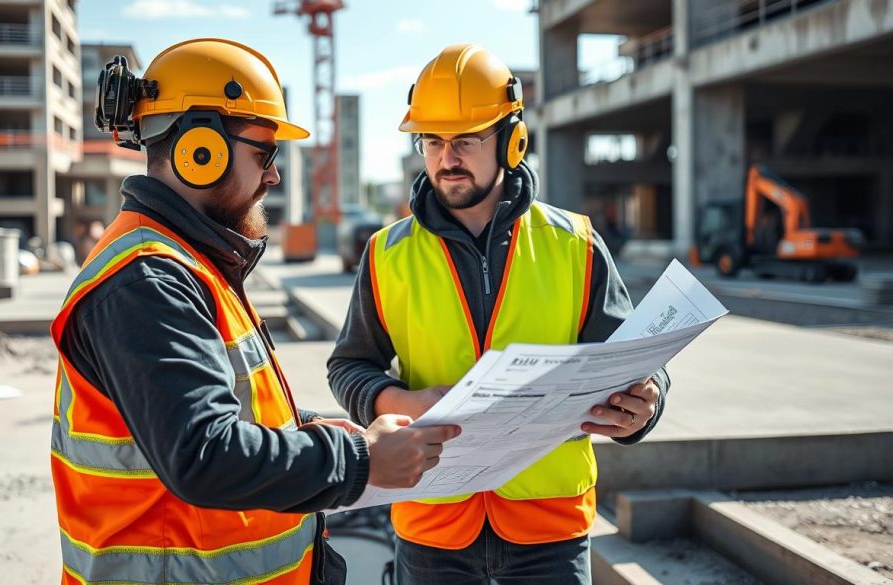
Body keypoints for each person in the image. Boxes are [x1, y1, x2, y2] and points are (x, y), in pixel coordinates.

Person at [49, 38, 459, 585]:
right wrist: (359, 459)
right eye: (264, 154)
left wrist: (321, 429)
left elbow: (230, 413)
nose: (274, 176)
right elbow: (204, 454)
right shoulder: (147, 280)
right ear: (201, 151)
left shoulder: (189, 262)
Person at [327, 44, 671, 585]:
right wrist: (404, 401)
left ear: (513, 141)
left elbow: (633, 361)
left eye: (465, 140)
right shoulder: (386, 253)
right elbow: (348, 367)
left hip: (549, 528)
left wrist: (645, 407)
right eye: (433, 141)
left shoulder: (574, 244)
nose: (447, 158)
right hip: (433, 524)